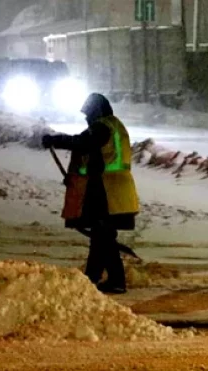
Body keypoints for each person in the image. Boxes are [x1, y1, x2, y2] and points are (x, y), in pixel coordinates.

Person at [41, 93, 139, 294]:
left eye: (88, 114)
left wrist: (55, 139)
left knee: (103, 236)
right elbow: (91, 155)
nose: (86, 119)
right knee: (101, 236)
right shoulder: (111, 126)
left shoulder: (103, 127)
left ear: (97, 111)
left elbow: (82, 142)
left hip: (109, 190)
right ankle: (97, 279)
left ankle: (108, 280)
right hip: (110, 189)